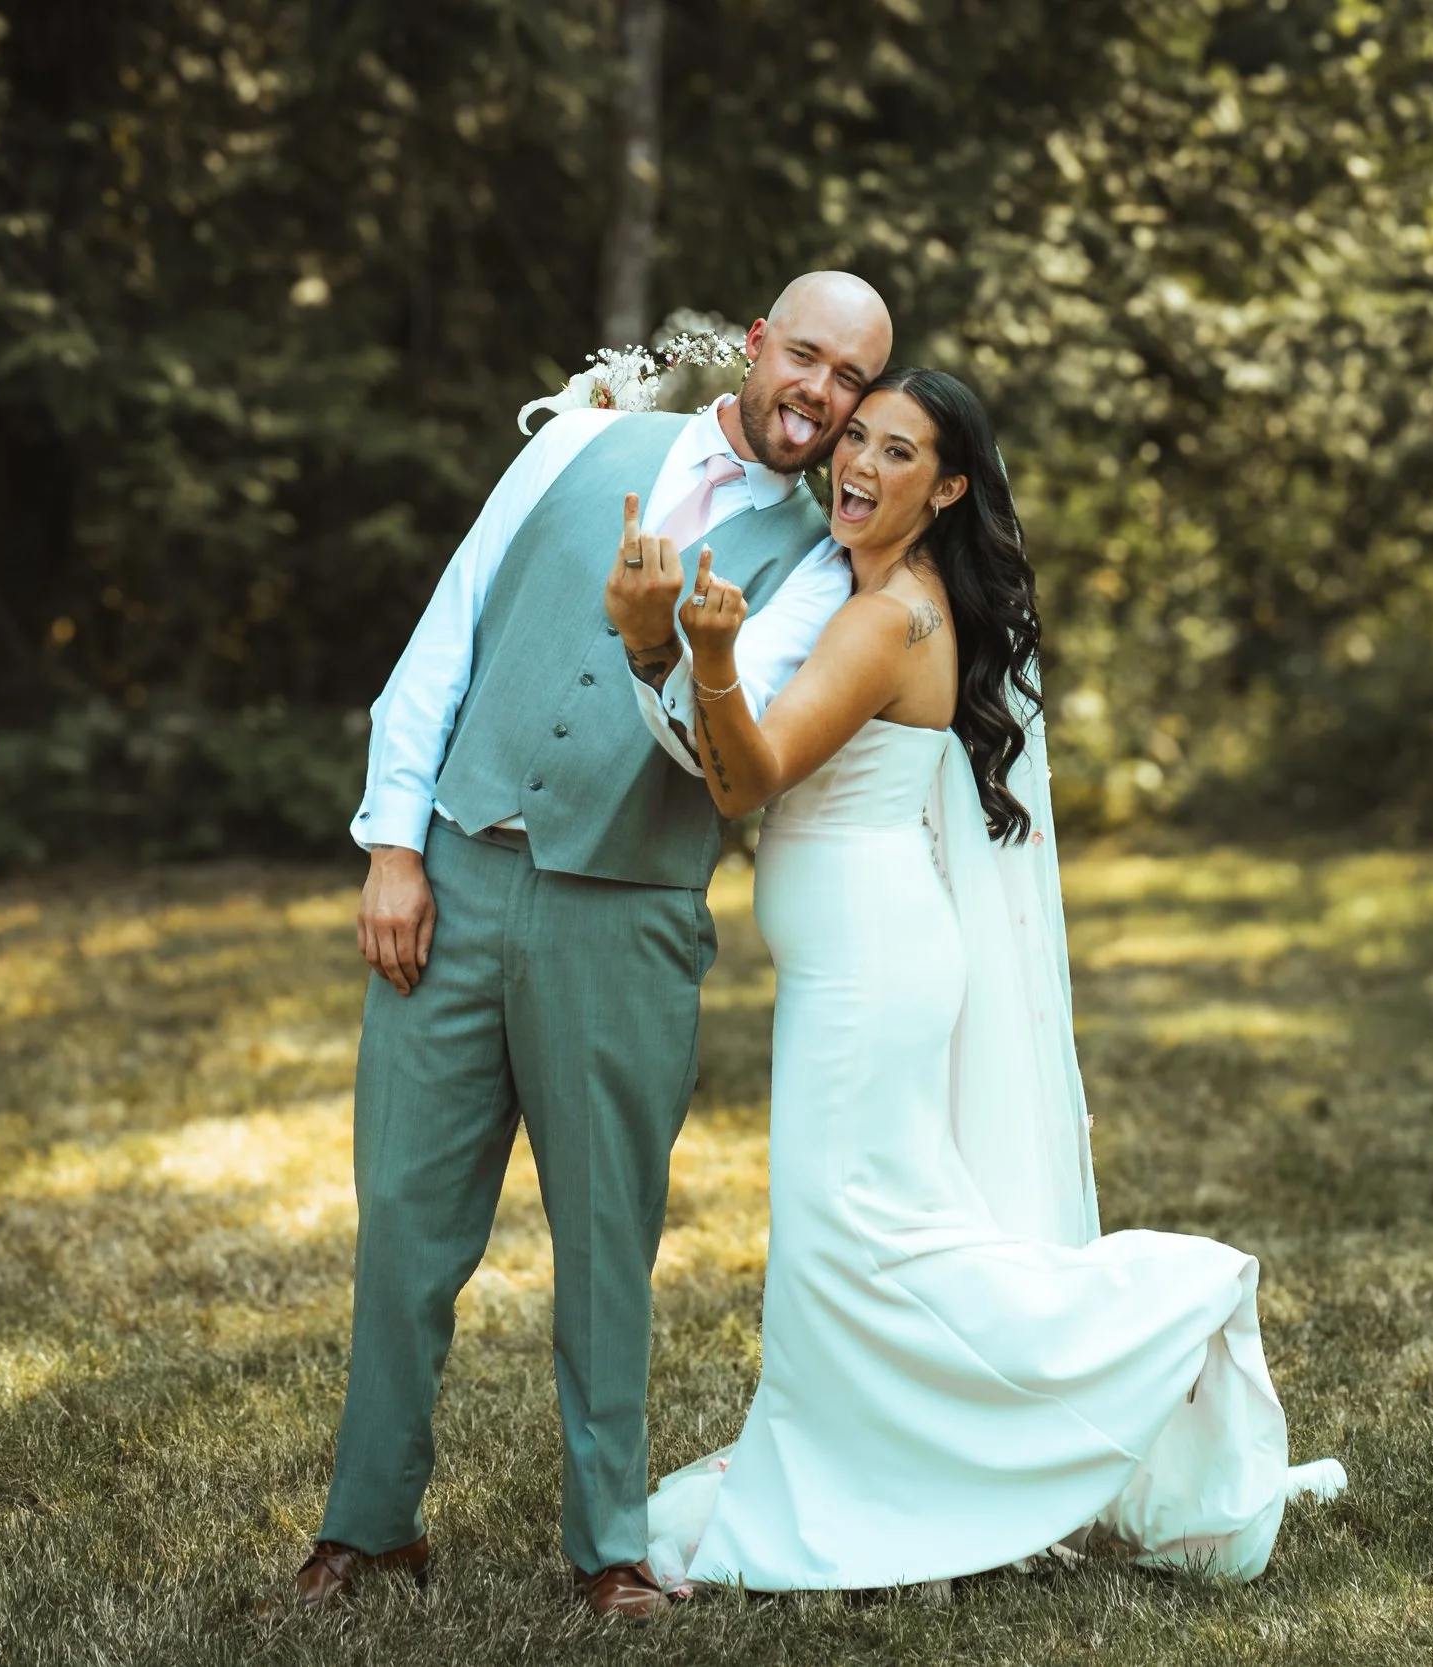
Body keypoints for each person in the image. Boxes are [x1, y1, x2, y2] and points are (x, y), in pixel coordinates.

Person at [601, 367, 1346, 1592]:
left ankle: (1173, 1299)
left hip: (869, 969)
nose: (860, 465)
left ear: (947, 488)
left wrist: (701, 651)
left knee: (872, 1245)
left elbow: (749, 778)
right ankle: (876, 1476)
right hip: (861, 956)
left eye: (901, 454)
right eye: (859, 441)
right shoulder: (878, 591)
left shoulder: (888, 618)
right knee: (843, 1251)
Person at [295, 273, 893, 1621]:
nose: (820, 392)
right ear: (755, 347)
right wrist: (395, 844)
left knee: (607, 1235)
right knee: (403, 1221)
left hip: (626, 909)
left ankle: (609, 1547)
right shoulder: (576, 442)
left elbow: (724, 753)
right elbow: (444, 633)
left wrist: (657, 648)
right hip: (452, 874)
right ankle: (367, 1527)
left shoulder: (823, 561)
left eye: (852, 379)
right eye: (805, 356)